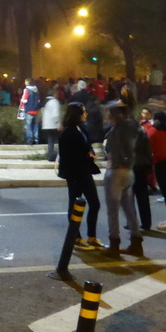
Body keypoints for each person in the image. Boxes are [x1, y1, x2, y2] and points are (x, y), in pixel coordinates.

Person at [57, 102, 103, 250]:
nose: (86, 114)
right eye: (83, 112)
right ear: (77, 114)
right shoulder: (68, 132)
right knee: (75, 204)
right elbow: (71, 156)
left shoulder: (81, 128)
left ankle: (91, 237)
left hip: (84, 171)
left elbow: (86, 145)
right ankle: (76, 237)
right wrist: (88, 157)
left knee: (94, 203)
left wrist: (90, 153)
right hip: (76, 173)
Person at [103, 102, 143, 257]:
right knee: (129, 209)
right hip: (128, 172)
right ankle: (136, 241)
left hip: (115, 170)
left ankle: (114, 244)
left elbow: (109, 150)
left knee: (112, 211)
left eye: (109, 115)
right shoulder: (134, 128)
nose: (108, 117)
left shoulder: (116, 131)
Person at [18, 78, 41, 145]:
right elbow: (39, 100)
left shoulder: (26, 90)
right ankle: (36, 139)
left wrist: (21, 100)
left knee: (28, 125)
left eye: (25, 81)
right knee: (35, 125)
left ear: (28, 82)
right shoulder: (36, 90)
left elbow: (24, 100)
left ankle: (29, 139)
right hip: (36, 110)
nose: (24, 82)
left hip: (29, 109)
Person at [41, 91, 61, 162]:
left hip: (46, 125)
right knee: (59, 140)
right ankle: (59, 156)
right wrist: (58, 124)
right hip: (53, 125)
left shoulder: (46, 102)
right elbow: (55, 115)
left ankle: (50, 156)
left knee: (50, 141)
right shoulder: (55, 102)